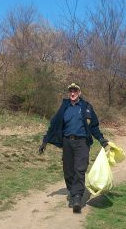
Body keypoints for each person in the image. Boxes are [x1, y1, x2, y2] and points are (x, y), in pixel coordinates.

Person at [39, 83, 109, 213]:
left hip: (82, 142)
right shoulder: (64, 107)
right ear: (68, 93)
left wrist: (101, 140)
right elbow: (53, 124)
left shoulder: (86, 107)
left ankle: (77, 197)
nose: (72, 93)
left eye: (75, 91)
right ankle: (72, 191)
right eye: (70, 91)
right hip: (67, 142)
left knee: (79, 168)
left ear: (79, 93)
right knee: (68, 170)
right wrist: (45, 141)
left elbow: (94, 126)